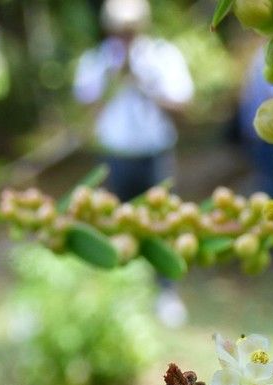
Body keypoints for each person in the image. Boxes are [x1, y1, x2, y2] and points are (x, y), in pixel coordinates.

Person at [74, 0, 194, 326]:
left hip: (154, 155)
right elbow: (86, 108)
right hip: (115, 157)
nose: (125, 35)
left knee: (161, 223)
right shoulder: (95, 61)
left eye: (131, 28)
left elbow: (183, 106)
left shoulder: (162, 56)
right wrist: (113, 79)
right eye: (119, 29)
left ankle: (167, 293)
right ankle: (128, 295)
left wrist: (146, 85)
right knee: (117, 226)